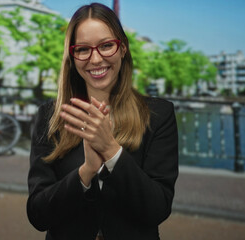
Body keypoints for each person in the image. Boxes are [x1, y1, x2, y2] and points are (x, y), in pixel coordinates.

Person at [27, 3, 178, 240]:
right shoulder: (50, 117)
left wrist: (111, 151)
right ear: (72, 56)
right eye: (83, 49)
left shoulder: (159, 114)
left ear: (123, 48)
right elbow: (38, 215)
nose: (95, 59)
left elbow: (158, 209)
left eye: (106, 46)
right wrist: (85, 173)